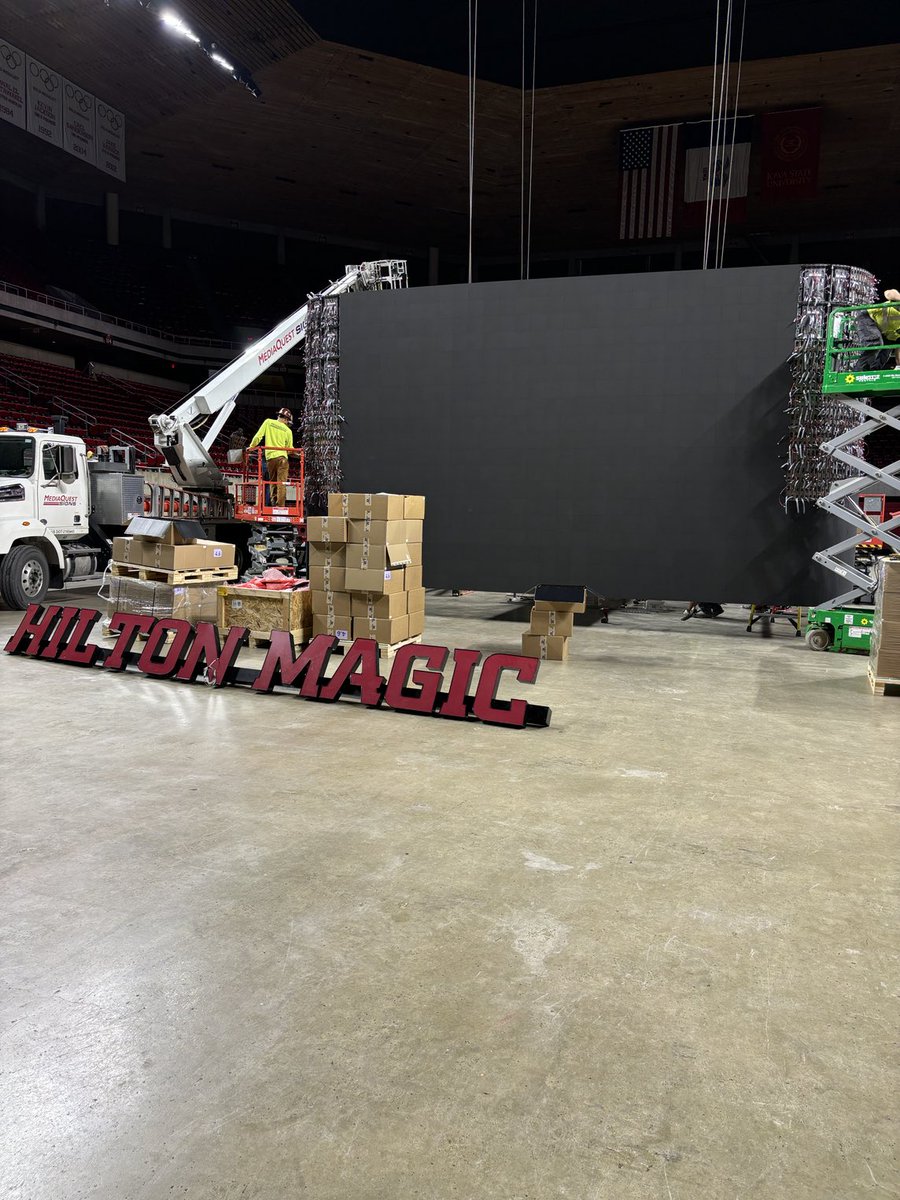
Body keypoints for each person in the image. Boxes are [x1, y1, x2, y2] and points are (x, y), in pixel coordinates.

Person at [247, 408, 294, 506]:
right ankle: (280, 506)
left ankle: (273, 502)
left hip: (270, 459)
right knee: (282, 483)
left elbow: (258, 437)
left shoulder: (268, 422)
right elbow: (290, 449)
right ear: (286, 419)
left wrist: (251, 447)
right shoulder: (288, 431)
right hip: (282, 459)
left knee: (273, 482)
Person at [853, 288, 900, 371]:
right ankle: (858, 373)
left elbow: (898, 347)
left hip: (884, 330)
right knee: (875, 343)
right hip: (867, 318)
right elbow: (888, 293)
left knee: (887, 350)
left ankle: (873, 372)